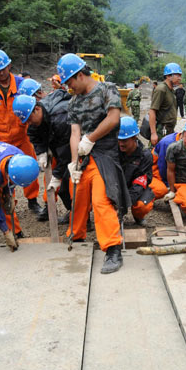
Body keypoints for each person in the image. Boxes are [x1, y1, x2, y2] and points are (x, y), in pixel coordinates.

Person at [57, 53, 130, 274]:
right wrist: (73, 164)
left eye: (69, 82)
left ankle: (112, 248)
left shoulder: (108, 89)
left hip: (105, 153)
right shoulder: (74, 102)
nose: (69, 87)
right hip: (84, 155)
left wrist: (91, 139)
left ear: (79, 75)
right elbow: (74, 133)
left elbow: (113, 118)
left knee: (101, 200)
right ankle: (77, 234)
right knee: (76, 194)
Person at [0, 49, 43, 217]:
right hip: (1, 141)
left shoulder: (22, 85)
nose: (1, 72)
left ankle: (33, 200)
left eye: (3, 68)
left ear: (9, 65)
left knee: (30, 167)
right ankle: (8, 203)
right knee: (3, 174)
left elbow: (36, 107)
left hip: (23, 136)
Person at [13, 91, 73, 224]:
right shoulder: (37, 119)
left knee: (74, 186)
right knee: (64, 190)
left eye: (29, 119)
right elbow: (33, 134)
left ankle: (83, 218)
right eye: (26, 120)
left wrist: (56, 175)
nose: (29, 123)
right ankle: (75, 213)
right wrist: (41, 152)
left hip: (78, 150)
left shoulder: (60, 118)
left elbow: (66, 154)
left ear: (37, 109)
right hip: (63, 148)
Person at [118, 117, 154, 226]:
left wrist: (124, 205)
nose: (120, 144)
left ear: (134, 138)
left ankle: (138, 216)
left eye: (124, 140)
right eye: (118, 140)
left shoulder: (145, 155)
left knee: (142, 205)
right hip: (117, 186)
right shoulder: (114, 151)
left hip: (135, 188)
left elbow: (140, 184)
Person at [149, 63, 181, 146]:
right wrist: (153, 133)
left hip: (169, 130)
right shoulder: (161, 89)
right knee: (156, 155)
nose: (179, 78)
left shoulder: (171, 90)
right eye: (177, 75)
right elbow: (152, 111)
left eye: (180, 76)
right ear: (168, 76)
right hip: (161, 130)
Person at [149, 131, 181, 200]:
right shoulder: (167, 143)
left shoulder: (184, 141)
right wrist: (170, 186)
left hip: (163, 170)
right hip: (153, 172)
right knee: (161, 190)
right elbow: (162, 167)